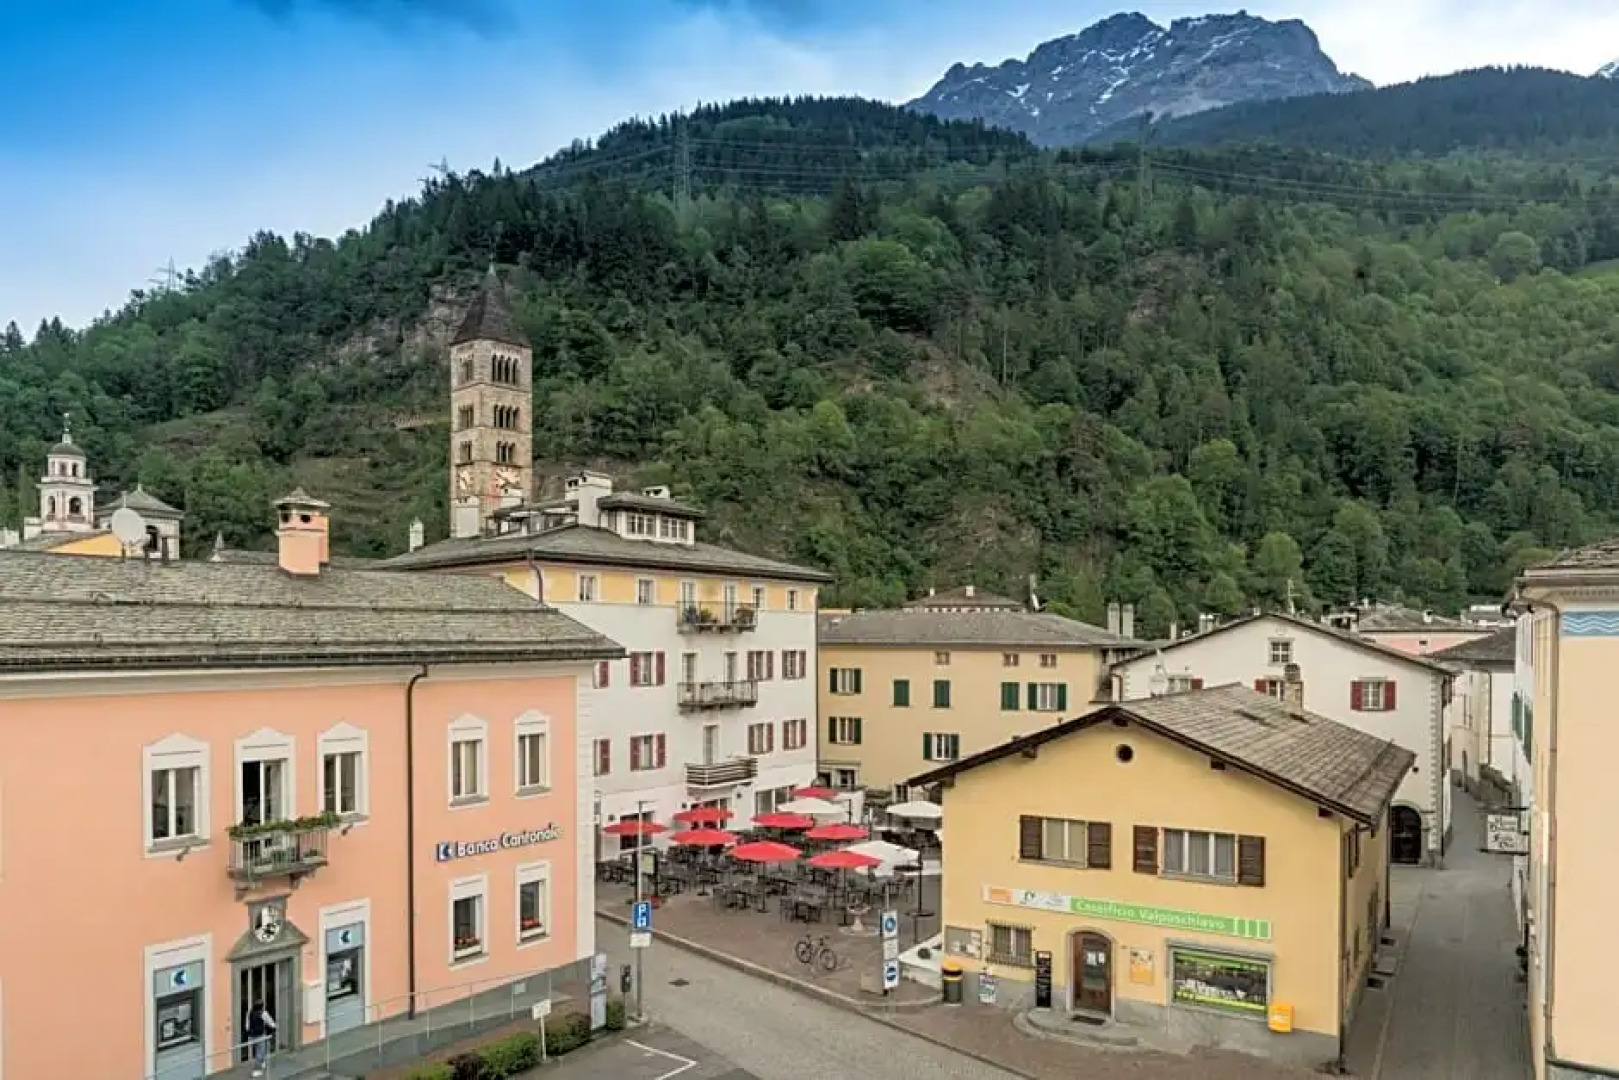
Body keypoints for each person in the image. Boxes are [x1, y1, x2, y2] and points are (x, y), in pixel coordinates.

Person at [245, 1000, 277, 1077]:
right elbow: (270, 1022)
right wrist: (274, 1027)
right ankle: (257, 1070)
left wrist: (249, 1032)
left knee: (258, 1050)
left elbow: (247, 1025)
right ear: (262, 1006)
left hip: (252, 1035)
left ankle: (263, 1062)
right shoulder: (264, 1013)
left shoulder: (250, 1012)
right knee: (260, 1052)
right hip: (260, 1035)